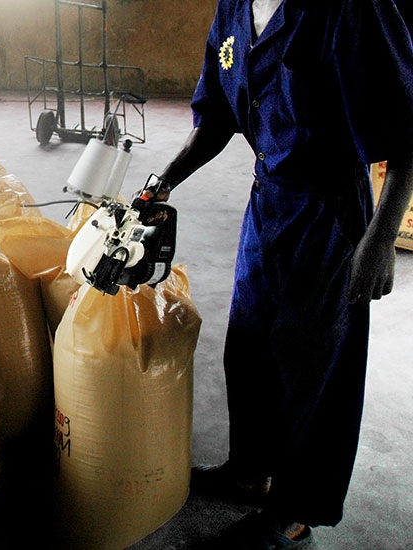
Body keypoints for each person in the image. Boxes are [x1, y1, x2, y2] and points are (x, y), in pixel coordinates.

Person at [141, 0, 413, 548]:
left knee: (314, 367)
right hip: (267, 202)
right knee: (248, 347)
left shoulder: (352, 9)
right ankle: (249, 471)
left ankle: (295, 508)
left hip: (330, 212)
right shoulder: (235, 9)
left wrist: (381, 238)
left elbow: (408, 126)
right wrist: (163, 182)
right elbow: (216, 117)